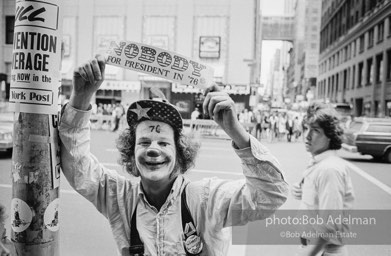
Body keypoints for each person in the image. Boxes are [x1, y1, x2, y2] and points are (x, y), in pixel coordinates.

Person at [59, 55, 289, 255]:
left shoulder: (206, 200)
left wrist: (235, 130)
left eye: (163, 142)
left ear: (180, 155)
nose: (153, 148)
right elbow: (78, 167)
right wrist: (80, 98)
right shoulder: (119, 198)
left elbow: (271, 195)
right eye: (144, 142)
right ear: (132, 153)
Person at [291, 102, 355, 256]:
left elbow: (328, 225)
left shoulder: (329, 169)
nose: (307, 135)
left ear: (329, 135)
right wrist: (304, 191)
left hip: (323, 251)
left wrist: (308, 254)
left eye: (315, 130)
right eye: (307, 128)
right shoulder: (320, 162)